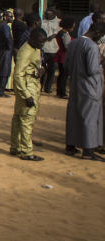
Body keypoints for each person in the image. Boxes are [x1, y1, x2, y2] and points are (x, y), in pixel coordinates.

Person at [64, 22, 105, 160]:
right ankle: (88, 150)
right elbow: (92, 69)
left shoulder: (74, 42)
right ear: (97, 33)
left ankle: (70, 145)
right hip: (90, 87)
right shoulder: (92, 47)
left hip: (75, 85)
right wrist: (101, 62)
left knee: (74, 116)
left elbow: (66, 65)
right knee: (90, 118)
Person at [10, 28, 47, 161]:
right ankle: (26, 151)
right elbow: (18, 74)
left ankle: (16, 147)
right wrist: (27, 95)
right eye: (40, 42)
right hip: (27, 88)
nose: (42, 45)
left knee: (19, 118)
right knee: (26, 119)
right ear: (32, 38)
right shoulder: (26, 51)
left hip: (30, 85)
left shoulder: (34, 48)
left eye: (43, 43)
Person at [41, 9, 61, 94]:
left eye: (50, 14)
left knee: (52, 70)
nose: (48, 16)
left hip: (54, 49)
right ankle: (40, 86)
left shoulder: (59, 22)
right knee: (42, 69)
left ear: (54, 14)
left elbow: (59, 33)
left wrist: (53, 35)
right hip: (43, 49)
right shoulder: (43, 22)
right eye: (47, 14)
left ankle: (48, 88)